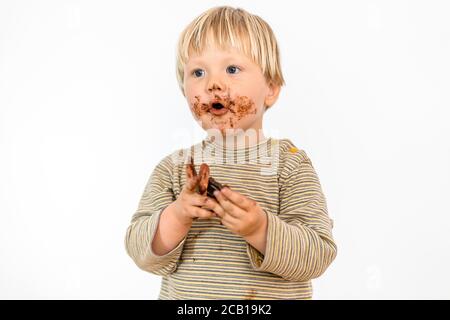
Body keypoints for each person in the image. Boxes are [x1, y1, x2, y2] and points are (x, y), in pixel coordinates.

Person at [125, 6, 337, 299]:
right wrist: (178, 215)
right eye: (198, 72)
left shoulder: (289, 165)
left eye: (232, 69)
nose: (213, 84)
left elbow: (318, 254)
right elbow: (139, 251)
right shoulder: (174, 169)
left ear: (271, 89)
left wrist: (260, 229)